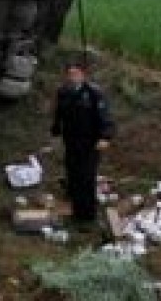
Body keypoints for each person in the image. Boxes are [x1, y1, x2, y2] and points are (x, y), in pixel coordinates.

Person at [50, 60, 115, 224]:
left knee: (86, 177)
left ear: (83, 75)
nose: (72, 77)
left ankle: (86, 217)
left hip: (90, 142)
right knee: (72, 171)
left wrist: (105, 136)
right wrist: (56, 130)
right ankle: (72, 201)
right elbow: (59, 113)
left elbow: (104, 116)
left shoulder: (94, 94)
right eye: (70, 74)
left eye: (76, 74)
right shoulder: (64, 92)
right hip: (71, 140)